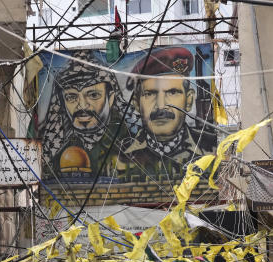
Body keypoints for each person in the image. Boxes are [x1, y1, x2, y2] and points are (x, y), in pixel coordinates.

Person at [117, 47, 216, 178]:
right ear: (136, 103)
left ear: (189, 100)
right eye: (150, 94)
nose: (161, 106)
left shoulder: (211, 147)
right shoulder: (120, 153)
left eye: (172, 92)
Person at [39, 50, 127, 178]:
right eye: (71, 97)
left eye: (93, 95)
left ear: (111, 98)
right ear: (62, 102)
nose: (82, 105)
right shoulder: (53, 150)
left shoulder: (129, 145)